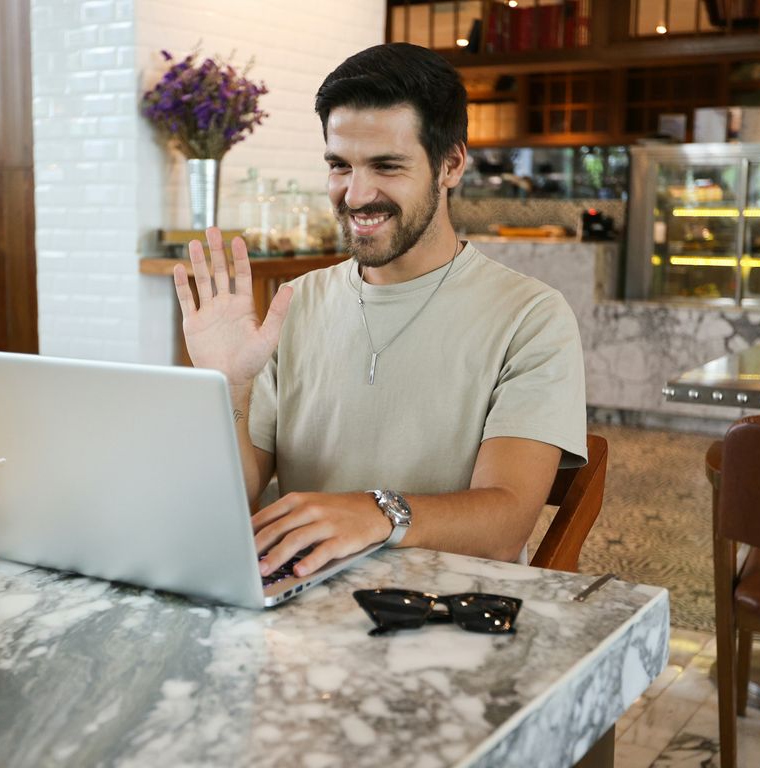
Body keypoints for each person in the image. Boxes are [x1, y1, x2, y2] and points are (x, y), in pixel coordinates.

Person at [171, 43, 586, 581]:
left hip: (450, 611)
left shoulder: (531, 317)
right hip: (300, 604)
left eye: (386, 166)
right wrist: (228, 386)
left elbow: (506, 524)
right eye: (339, 166)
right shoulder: (292, 307)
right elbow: (235, 495)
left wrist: (374, 512)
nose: (356, 194)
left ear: (451, 164)